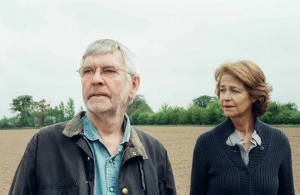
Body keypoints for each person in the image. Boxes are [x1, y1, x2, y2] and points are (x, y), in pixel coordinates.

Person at [9, 39, 176, 195]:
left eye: (109, 71)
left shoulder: (155, 152)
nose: (96, 79)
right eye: (88, 71)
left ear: (133, 85)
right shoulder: (43, 145)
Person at [190, 60, 295, 194]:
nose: (226, 97)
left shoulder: (279, 141)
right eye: (222, 90)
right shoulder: (206, 143)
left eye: (234, 91)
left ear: (254, 96)